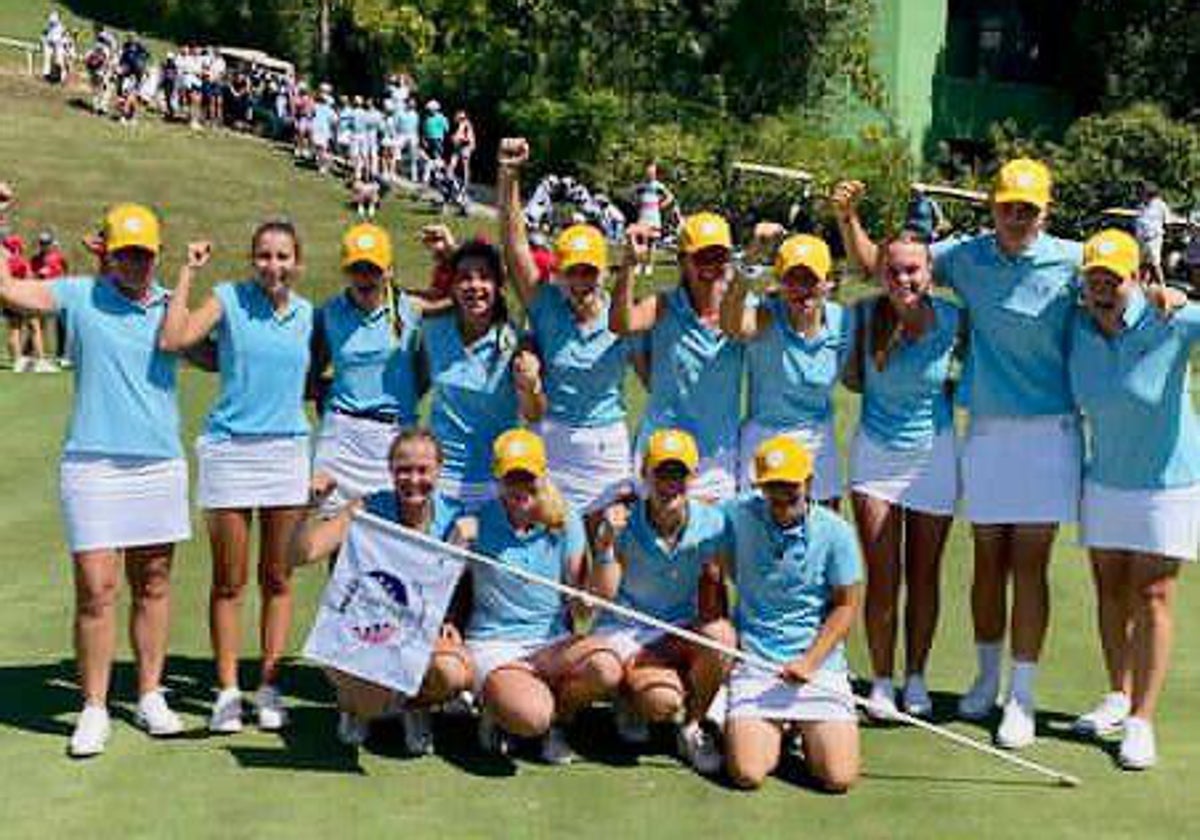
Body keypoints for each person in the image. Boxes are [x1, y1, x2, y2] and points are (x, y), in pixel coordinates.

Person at [834, 160, 1083, 750]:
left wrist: (1164, 293)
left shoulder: (1074, 259)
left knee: (1030, 565)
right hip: (987, 432)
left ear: (1045, 212)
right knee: (988, 564)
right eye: (1007, 207)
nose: (1017, 217)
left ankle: (1019, 697)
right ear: (992, 208)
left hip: (1049, 429)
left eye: (1028, 209)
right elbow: (886, 264)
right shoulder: (966, 256)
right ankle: (984, 680)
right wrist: (847, 219)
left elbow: (1124, 282)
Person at [1, 203, 190, 757]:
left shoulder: (167, 306)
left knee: (153, 582)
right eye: (124, 252)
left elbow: (212, 347)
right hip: (92, 463)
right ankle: (94, 706)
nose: (134, 263)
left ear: (156, 256)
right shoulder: (78, 293)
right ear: (106, 252)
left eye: (143, 254)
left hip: (157, 461)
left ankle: (150, 694)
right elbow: (11, 291)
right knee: (96, 589)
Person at [157, 219, 314, 735]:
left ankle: (268, 686)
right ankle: (227, 691)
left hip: (287, 452)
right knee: (230, 581)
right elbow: (176, 338)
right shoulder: (227, 297)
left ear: (298, 262)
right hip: (230, 451)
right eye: (264, 256)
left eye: (283, 256)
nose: (274, 265)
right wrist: (187, 271)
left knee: (277, 577)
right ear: (253, 260)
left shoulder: (309, 314)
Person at [1069, 230, 1200, 770]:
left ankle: (1141, 720)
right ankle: (1117, 696)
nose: (1103, 286)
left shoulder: (1172, 322)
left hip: (1167, 484)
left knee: (1152, 595)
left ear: (1140, 278)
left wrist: (1186, 296)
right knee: (1110, 591)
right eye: (1095, 277)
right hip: (1105, 479)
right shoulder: (1076, 325)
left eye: (1114, 278)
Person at [291, 428, 474, 751]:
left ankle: (415, 706)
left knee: (453, 673)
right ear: (390, 470)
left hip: (421, 634)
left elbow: (468, 583)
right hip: (365, 630)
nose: (413, 479)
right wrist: (311, 506)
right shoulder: (367, 507)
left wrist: (456, 622)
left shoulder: (457, 517)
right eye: (403, 469)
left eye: (423, 470)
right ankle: (355, 707)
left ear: (439, 470)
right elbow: (301, 554)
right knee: (371, 704)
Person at [845, 233, 963, 718]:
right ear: (881, 273)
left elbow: (964, 377)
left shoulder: (956, 320)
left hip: (933, 457)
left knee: (924, 575)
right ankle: (882, 680)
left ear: (930, 273)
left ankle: (916, 676)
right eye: (894, 270)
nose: (904, 279)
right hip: (875, 457)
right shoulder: (862, 316)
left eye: (913, 270)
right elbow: (852, 377)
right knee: (883, 578)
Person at [460, 428, 620, 764]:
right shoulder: (476, 522)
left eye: (527, 478)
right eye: (510, 479)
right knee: (532, 716)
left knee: (606, 668)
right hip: (495, 645)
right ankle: (497, 708)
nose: (519, 488)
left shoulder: (564, 519)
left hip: (550, 643)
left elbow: (580, 606)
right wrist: (457, 543)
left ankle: (558, 721)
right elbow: (437, 577)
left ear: (543, 476)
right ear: (498, 479)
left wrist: (603, 552)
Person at [498, 137, 634, 521]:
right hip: (551, 439)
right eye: (570, 271)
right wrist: (509, 175)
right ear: (558, 272)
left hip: (605, 446)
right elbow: (514, 246)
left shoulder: (622, 315)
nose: (579, 281)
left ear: (604, 273)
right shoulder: (546, 305)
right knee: (554, 546)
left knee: (606, 543)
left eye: (588, 271)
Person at [588, 429, 735, 775]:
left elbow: (730, 578)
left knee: (723, 637)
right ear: (645, 476)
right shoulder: (620, 523)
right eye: (662, 474)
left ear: (692, 477)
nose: (670, 483)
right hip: (627, 630)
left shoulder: (713, 523)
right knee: (662, 702)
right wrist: (607, 542)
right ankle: (627, 695)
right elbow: (603, 595)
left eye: (679, 474)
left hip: (677, 628)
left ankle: (692, 728)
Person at [723, 435, 862, 792]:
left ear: (809, 483)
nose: (782, 496)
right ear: (761, 487)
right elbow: (689, 520)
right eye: (773, 487)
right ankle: (778, 731)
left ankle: (801, 728)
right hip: (756, 662)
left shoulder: (837, 533)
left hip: (817, 668)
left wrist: (810, 662)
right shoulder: (738, 514)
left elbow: (846, 606)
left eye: (790, 486)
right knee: (748, 773)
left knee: (838, 777)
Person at [611, 213, 744, 502]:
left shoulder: (740, 309)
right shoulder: (662, 305)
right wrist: (629, 264)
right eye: (701, 258)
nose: (711, 267)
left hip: (716, 459)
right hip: (660, 449)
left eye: (719, 257)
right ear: (683, 261)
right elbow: (621, 324)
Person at [720, 226, 850, 507]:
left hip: (818, 438)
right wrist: (752, 255)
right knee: (755, 534)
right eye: (792, 278)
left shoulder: (842, 321)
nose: (801, 289)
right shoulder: (766, 314)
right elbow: (731, 325)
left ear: (828, 282)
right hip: (764, 437)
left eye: (810, 279)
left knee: (821, 533)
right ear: (779, 282)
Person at [418, 238, 544, 509]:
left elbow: (534, 413)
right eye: (464, 278)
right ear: (452, 286)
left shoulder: (516, 341)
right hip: (438, 476)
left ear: (499, 287)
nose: (475, 286)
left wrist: (530, 386)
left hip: (495, 481)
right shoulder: (434, 330)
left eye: (484, 278)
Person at [309, 224, 423, 514]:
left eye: (373, 269)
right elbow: (311, 368)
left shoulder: (411, 309)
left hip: (394, 437)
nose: (365, 278)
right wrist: (323, 392)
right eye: (356, 269)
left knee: (387, 536)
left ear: (389, 270)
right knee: (333, 532)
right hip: (342, 437)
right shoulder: (330, 312)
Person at [30, 231, 69, 370]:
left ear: (51, 243)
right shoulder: (35, 259)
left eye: (46, 243)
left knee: (62, 325)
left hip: (59, 294)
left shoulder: (58, 257)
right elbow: (33, 275)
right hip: (42, 295)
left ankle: (62, 356)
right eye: (42, 243)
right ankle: (32, 354)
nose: (44, 246)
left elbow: (65, 270)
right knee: (38, 325)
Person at [632, 162, 675, 277]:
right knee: (641, 241)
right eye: (648, 172)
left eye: (652, 172)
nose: (650, 174)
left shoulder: (659, 186)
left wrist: (661, 205)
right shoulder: (641, 186)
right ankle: (639, 264)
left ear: (655, 174)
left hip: (654, 216)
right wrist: (637, 203)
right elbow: (633, 197)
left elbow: (670, 197)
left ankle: (649, 266)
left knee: (652, 243)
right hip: (643, 216)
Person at [1135, 182, 1170, 286]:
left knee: (1155, 263)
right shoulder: (1141, 206)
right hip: (1141, 239)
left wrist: (1167, 234)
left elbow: (1167, 221)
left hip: (1153, 238)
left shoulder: (1160, 205)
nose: (1140, 193)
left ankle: (1162, 285)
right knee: (1142, 264)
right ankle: (1142, 285)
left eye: (1142, 191)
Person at [450, 110, 476, 191]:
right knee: (451, 166)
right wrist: (454, 138)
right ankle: (456, 185)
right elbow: (454, 136)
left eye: (463, 118)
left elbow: (470, 138)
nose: (461, 119)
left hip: (465, 147)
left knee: (465, 167)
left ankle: (465, 186)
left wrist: (461, 139)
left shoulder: (467, 125)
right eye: (460, 118)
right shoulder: (457, 125)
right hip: (457, 147)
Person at [422, 100, 450, 167]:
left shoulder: (441, 117)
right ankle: (434, 172)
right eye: (429, 109)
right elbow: (425, 129)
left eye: (431, 109)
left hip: (437, 139)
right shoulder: (427, 118)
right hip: (429, 140)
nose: (430, 110)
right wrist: (424, 139)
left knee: (437, 156)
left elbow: (447, 129)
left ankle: (439, 171)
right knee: (431, 157)